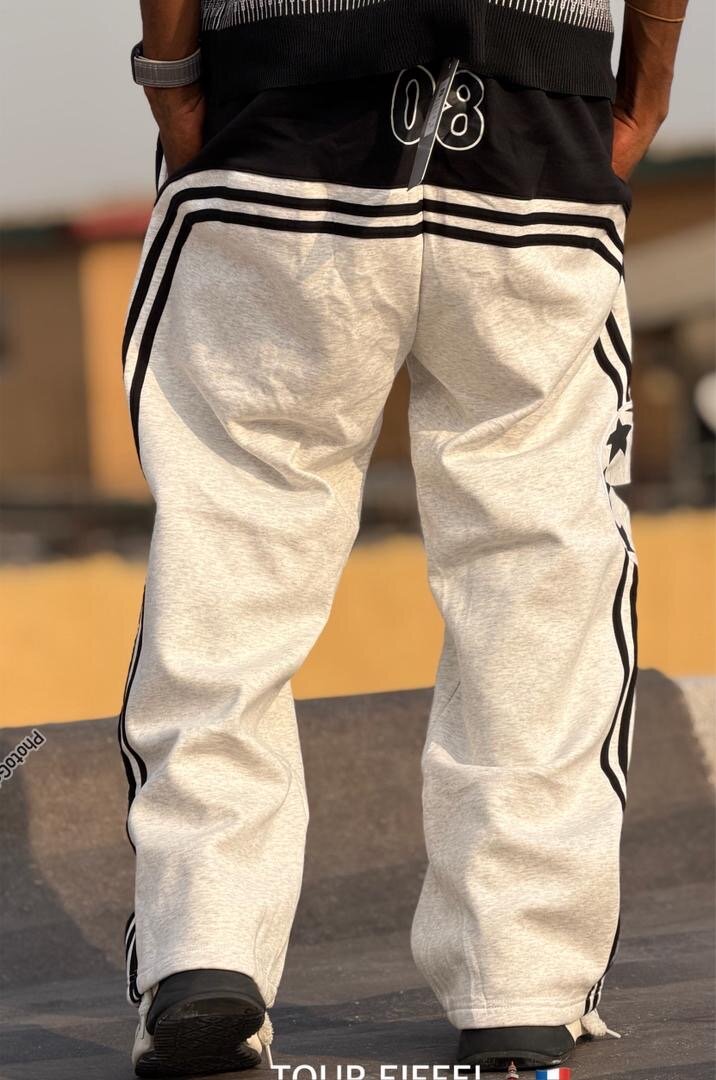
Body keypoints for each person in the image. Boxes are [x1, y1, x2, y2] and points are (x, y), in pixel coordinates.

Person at [119, 1, 689, 1075]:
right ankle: (520, 974)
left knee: (235, 542)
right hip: (531, 114)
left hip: (284, 108)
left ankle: (204, 945)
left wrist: (172, 79)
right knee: (536, 567)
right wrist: (643, 95)